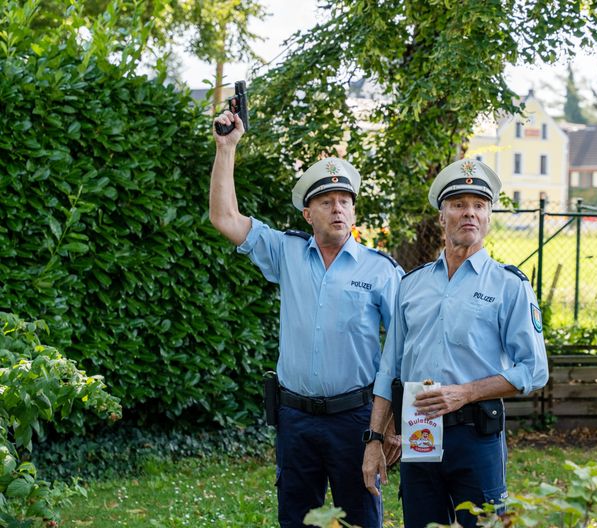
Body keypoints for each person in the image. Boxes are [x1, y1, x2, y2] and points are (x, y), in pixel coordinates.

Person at [209, 110, 403, 528]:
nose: (337, 209)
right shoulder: (286, 252)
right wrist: (227, 148)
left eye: (345, 202)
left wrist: (389, 425)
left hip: (356, 419)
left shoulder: (380, 270)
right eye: (326, 202)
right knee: (297, 522)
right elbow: (224, 217)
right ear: (307, 214)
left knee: (362, 521)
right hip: (295, 419)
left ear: (353, 212)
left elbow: (404, 348)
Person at [361, 158, 549, 528]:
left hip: (476, 435)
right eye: (459, 204)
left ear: (489, 218)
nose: (470, 213)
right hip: (419, 431)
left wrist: (464, 393)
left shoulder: (509, 286)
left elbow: (534, 370)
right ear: (442, 216)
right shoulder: (411, 285)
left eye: (479, 206)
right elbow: (389, 369)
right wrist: (375, 439)